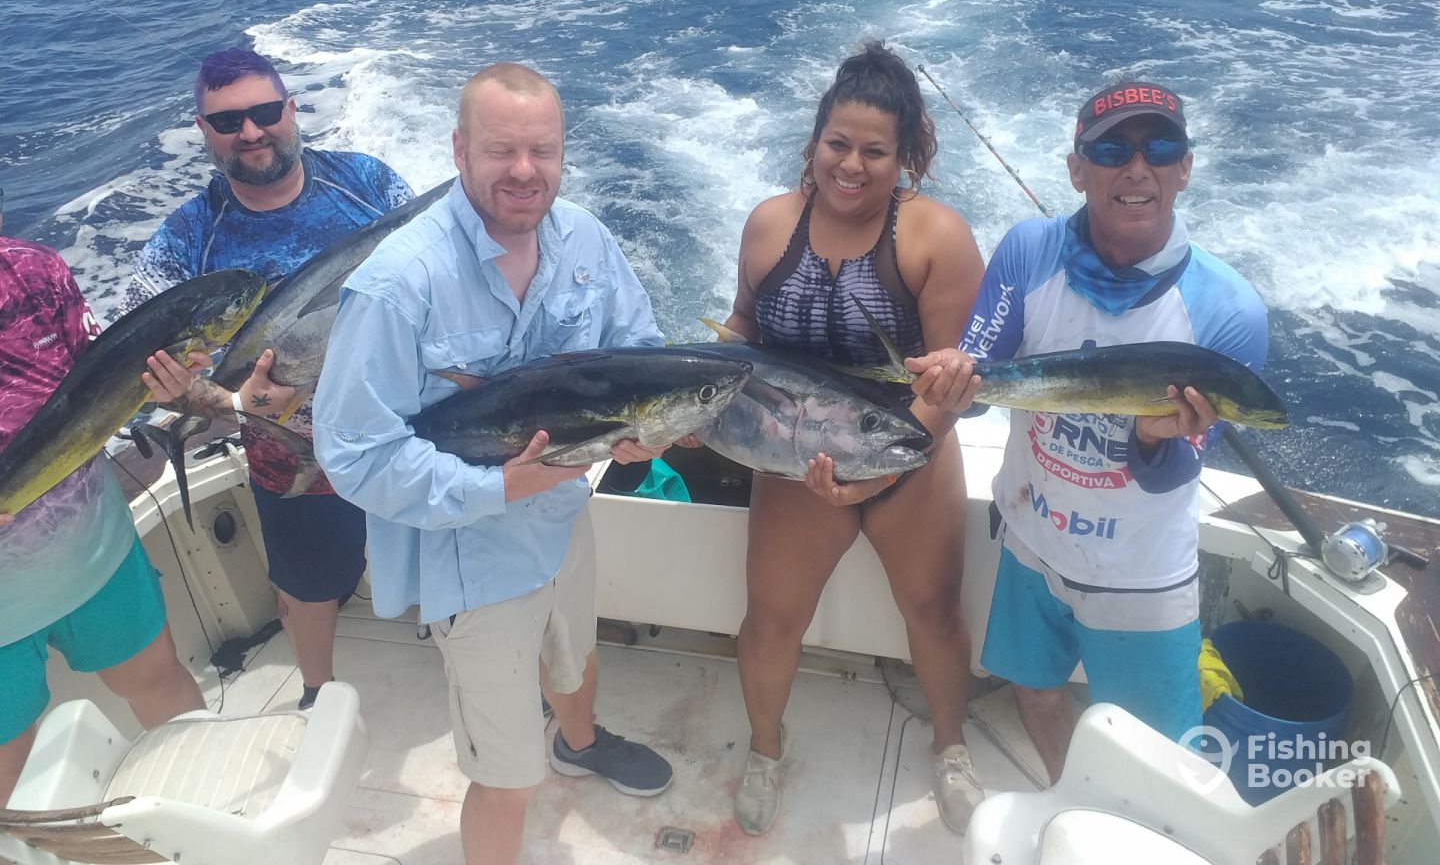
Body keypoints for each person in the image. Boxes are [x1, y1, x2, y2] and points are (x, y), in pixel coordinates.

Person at [311, 63, 674, 865]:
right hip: (471, 557)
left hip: (564, 520)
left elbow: (638, 353)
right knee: (506, 778)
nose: (524, 170)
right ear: (459, 150)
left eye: (543, 150)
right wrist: (500, 485)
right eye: (501, 149)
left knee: (575, 657)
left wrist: (645, 430)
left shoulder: (585, 239)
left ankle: (579, 742)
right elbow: (354, 455)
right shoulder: (397, 283)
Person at [908, 81, 1268, 784]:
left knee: (1158, 760)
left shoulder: (1230, 313)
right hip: (1031, 540)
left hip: (1140, 575)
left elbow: (1175, 474)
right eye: (1111, 150)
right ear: (1077, 169)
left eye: (1159, 147)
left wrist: (1158, 438)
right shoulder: (1028, 250)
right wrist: (951, 382)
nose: (1137, 168)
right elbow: (979, 388)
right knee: (1034, 693)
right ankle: (1071, 800)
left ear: (1186, 167)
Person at [721, 42, 987, 835]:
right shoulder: (770, 225)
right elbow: (741, 330)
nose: (851, 165)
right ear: (814, 142)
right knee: (771, 620)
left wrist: (882, 473)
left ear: (905, 157)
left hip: (907, 447)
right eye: (837, 144)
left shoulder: (937, 237)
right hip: (795, 460)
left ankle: (952, 748)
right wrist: (693, 401)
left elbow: (945, 388)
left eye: (875, 151)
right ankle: (765, 751)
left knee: (932, 611)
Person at [120, 47, 414, 711]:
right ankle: (315, 694)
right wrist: (229, 401)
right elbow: (145, 371)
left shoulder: (367, 182)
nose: (250, 132)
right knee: (308, 586)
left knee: (440, 547)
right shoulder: (185, 239)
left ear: (291, 109)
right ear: (204, 130)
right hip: (291, 454)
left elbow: (440, 277)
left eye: (264, 112)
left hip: (405, 428)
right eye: (228, 121)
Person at [0, 189, 205, 804]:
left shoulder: (36, 272)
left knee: (160, 684)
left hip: (96, 556)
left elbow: (102, 384)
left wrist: (168, 386)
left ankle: (212, 807)